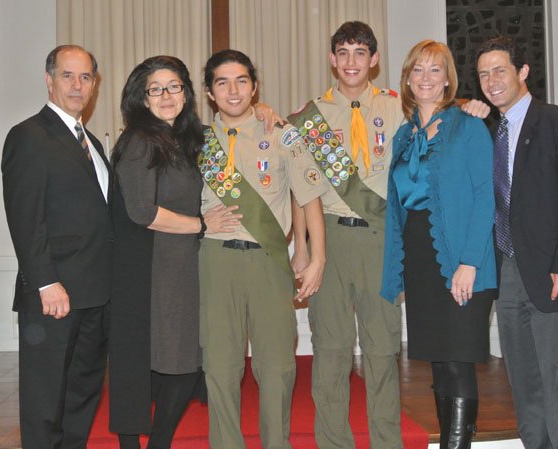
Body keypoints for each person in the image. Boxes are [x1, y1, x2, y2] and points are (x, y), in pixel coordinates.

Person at [108, 56, 241, 449]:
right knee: (146, 366)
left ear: (186, 92)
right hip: (150, 269)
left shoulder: (188, 139)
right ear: (142, 98)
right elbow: (142, 211)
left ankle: (160, 442)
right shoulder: (139, 141)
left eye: (174, 86)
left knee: (182, 364)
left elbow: (235, 127)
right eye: (155, 88)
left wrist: (268, 113)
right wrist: (202, 224)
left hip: (183, 265)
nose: (166, 96)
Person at [476, 36, 558, 449]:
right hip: (507, 272)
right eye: (483, 74)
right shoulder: (490, 131)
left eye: (500, 70)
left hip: (554, 272)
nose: (491, 81)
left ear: (522, 72)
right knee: (524, 382)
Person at [199, 49, 328, 449]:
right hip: (215, 261)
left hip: (269, 260)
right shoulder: (197, 141)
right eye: (222, 82)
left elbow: (309, 198)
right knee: (220, 367)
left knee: (277, 366)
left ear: (255, 86)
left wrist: (314, 256)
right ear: (208, 92)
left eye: (241, 80)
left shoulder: (282, 133)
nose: (233, 90)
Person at [287, 21, 405, 449]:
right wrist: (301, 248)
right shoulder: (310, 116)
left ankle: (387, 442)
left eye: (360, 52)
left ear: (374, 59)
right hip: (329, 241)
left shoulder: (398, 108)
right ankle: (334, 443)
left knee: (381, 350)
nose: (351, 61)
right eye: (343, 52)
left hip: (380, 240)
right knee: (331, 351)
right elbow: (302, 189)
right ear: (332, 59)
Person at [381, 40, 497, 449]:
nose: (426, 78)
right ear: (407, 78)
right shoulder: (403, 135)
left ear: (448, 79)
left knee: (460, 360)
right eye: (418, 70)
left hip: (463, 259)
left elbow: (486, 196)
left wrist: (469, 262)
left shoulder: (468, 126)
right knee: (440, 364)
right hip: (420, 261)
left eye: (435, 70)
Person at [1, 45, 111, 449]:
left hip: (95, 293)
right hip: (55, 295)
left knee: (81, 394)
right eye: (68, 75)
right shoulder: (28, 136)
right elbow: (25, 218)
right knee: (45, 399)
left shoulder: (93, 143)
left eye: (85, 77)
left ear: (95, 85)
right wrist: (46, 282)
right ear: (49, 80)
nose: (77, 85)